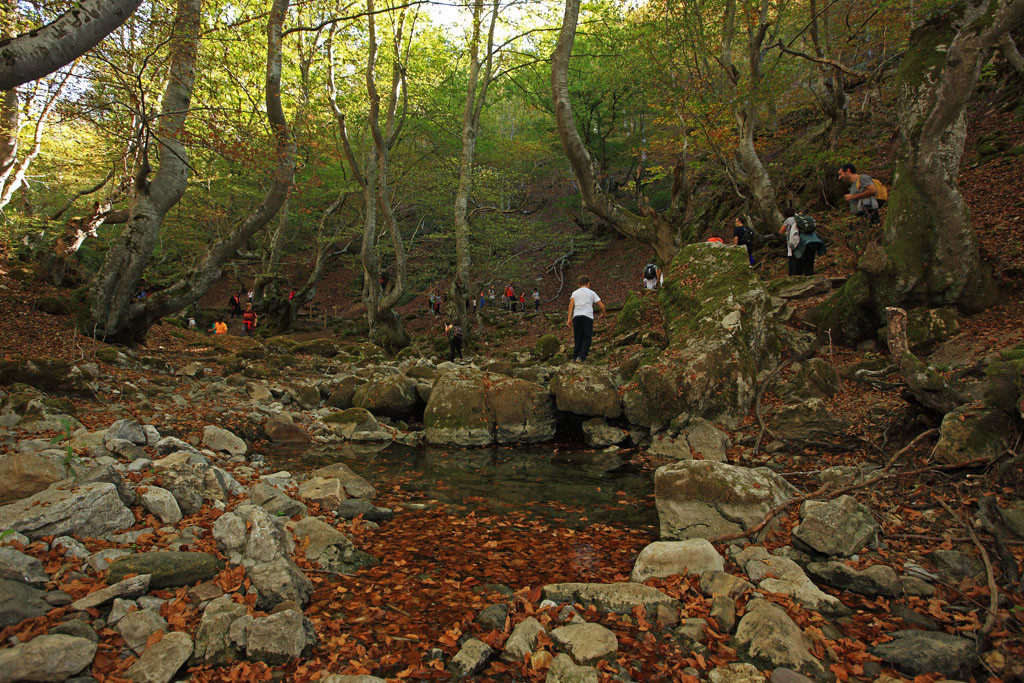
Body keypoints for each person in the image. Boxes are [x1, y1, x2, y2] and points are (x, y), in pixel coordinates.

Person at [567, 275, 606, 362]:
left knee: (578, 336)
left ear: (578, 285)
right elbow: (602, 306)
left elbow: (570, 306)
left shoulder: (575, 293)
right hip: (587, 317)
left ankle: (575, 356)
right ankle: (581, 357)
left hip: (576, 316)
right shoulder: (592, 293)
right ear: (588, 284)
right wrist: (604, 314)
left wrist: (569, 319)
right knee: (587, 337)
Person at [779, 208, 801, 276]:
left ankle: (792, 274)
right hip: (800, 240)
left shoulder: (789, 220)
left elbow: (780, 231)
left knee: (792, 259)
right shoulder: (799, 218)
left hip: (792, 241)